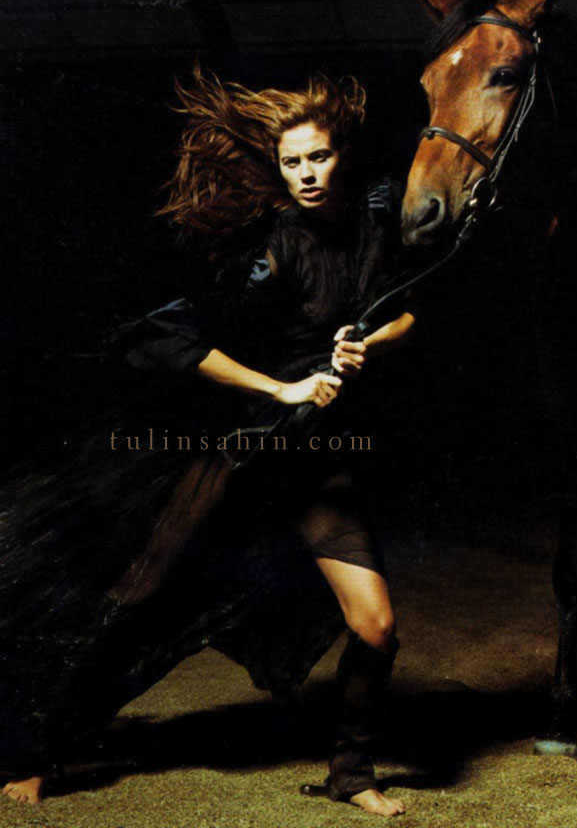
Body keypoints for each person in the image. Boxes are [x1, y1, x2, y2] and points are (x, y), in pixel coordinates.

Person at [0, 71, 413, 816]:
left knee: (376, 625)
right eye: (292, 162)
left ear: (341, 156)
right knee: (136, 598)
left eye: (318, 157)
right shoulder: (272, 252)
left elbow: (408, 312)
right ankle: (42, 751)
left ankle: (352, 774)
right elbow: (172, 339)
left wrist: (368, 347)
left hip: (317, 467)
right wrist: (281, 389)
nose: (306, 173)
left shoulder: (375, 221)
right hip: (244, 456)